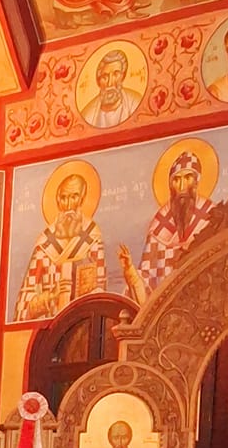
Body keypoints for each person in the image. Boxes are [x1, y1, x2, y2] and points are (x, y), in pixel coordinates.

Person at [15, 171, 105, 320]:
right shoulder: (45, 244)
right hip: (50, 326)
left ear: (82, 199)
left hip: (83, 321)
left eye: (74, 197)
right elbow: (22, 307)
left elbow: (101, 289)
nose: (68, 205)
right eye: (63, 198)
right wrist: (51, 296)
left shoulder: (92, 238)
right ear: (57, 200)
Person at [135, 150, 214, 297]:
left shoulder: (211, 215)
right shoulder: (160, 223)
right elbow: (146, 275)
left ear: (197, 180)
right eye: (176, 179)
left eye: (188, 177)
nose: (182, 186)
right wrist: (132, 276)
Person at [80, 47, 142, 131]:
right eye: (104, 77)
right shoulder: (88, 116)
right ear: (98, 80)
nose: (110, 83)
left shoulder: (135, 102)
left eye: (116, 74)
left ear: (123, 76)